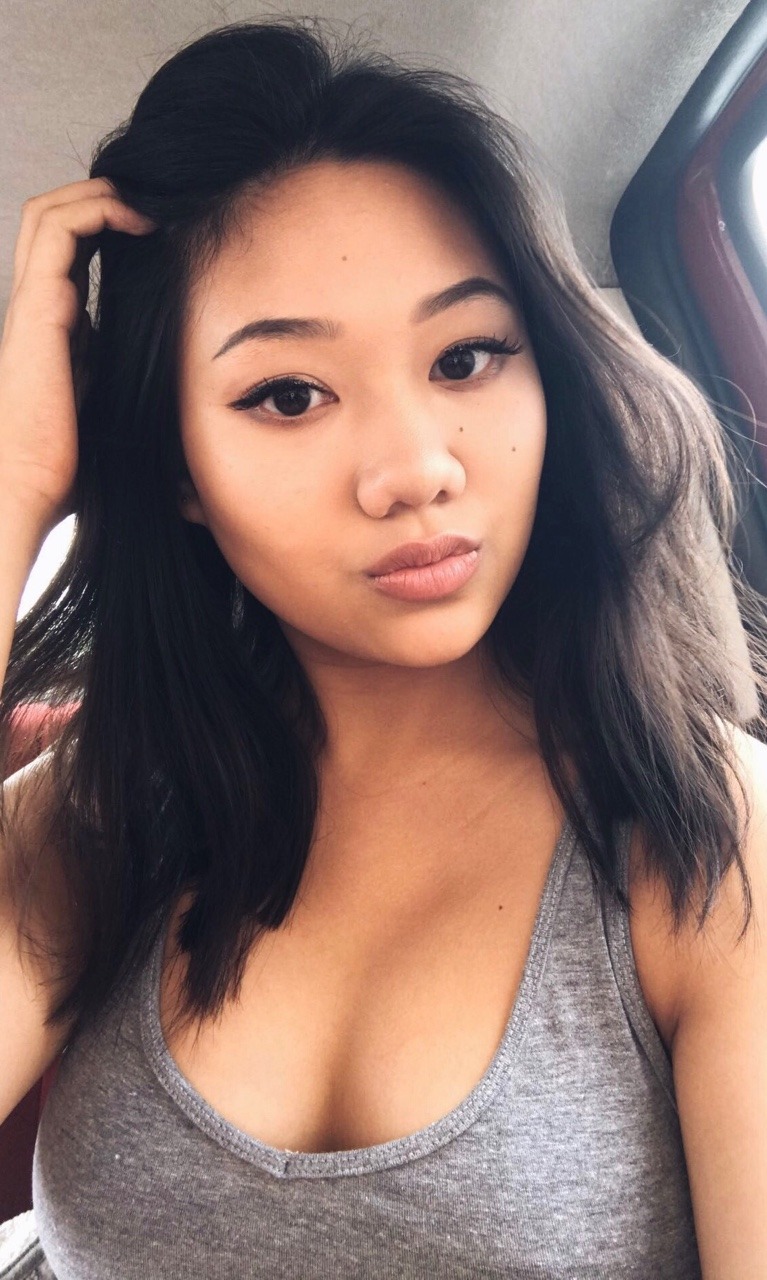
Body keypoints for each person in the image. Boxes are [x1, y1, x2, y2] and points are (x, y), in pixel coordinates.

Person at [0, 16, 765, 1279]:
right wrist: (18, 483)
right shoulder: (103, 809)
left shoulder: (704, 830)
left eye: (465, 357)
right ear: (175, 467)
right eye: (287, 394)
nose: (414, 468)